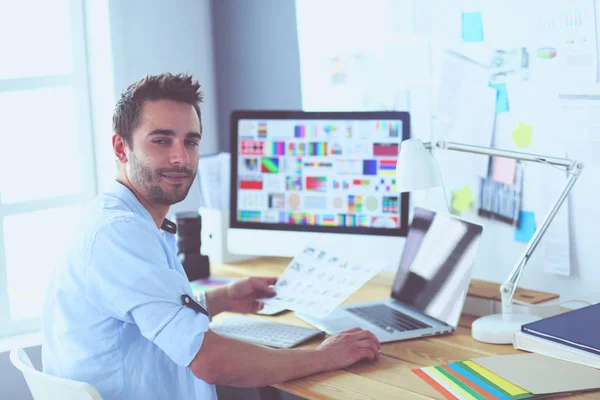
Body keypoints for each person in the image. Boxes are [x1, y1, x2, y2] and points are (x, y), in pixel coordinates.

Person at [42, 73, 381, 400]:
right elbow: (211, 362)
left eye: (190, 141)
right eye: (161, 140)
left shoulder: (121, 220)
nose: (181, 157)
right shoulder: (119, 234)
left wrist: (221, 300)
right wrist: (325, 356)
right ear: (121, 148)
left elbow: (147, 313)